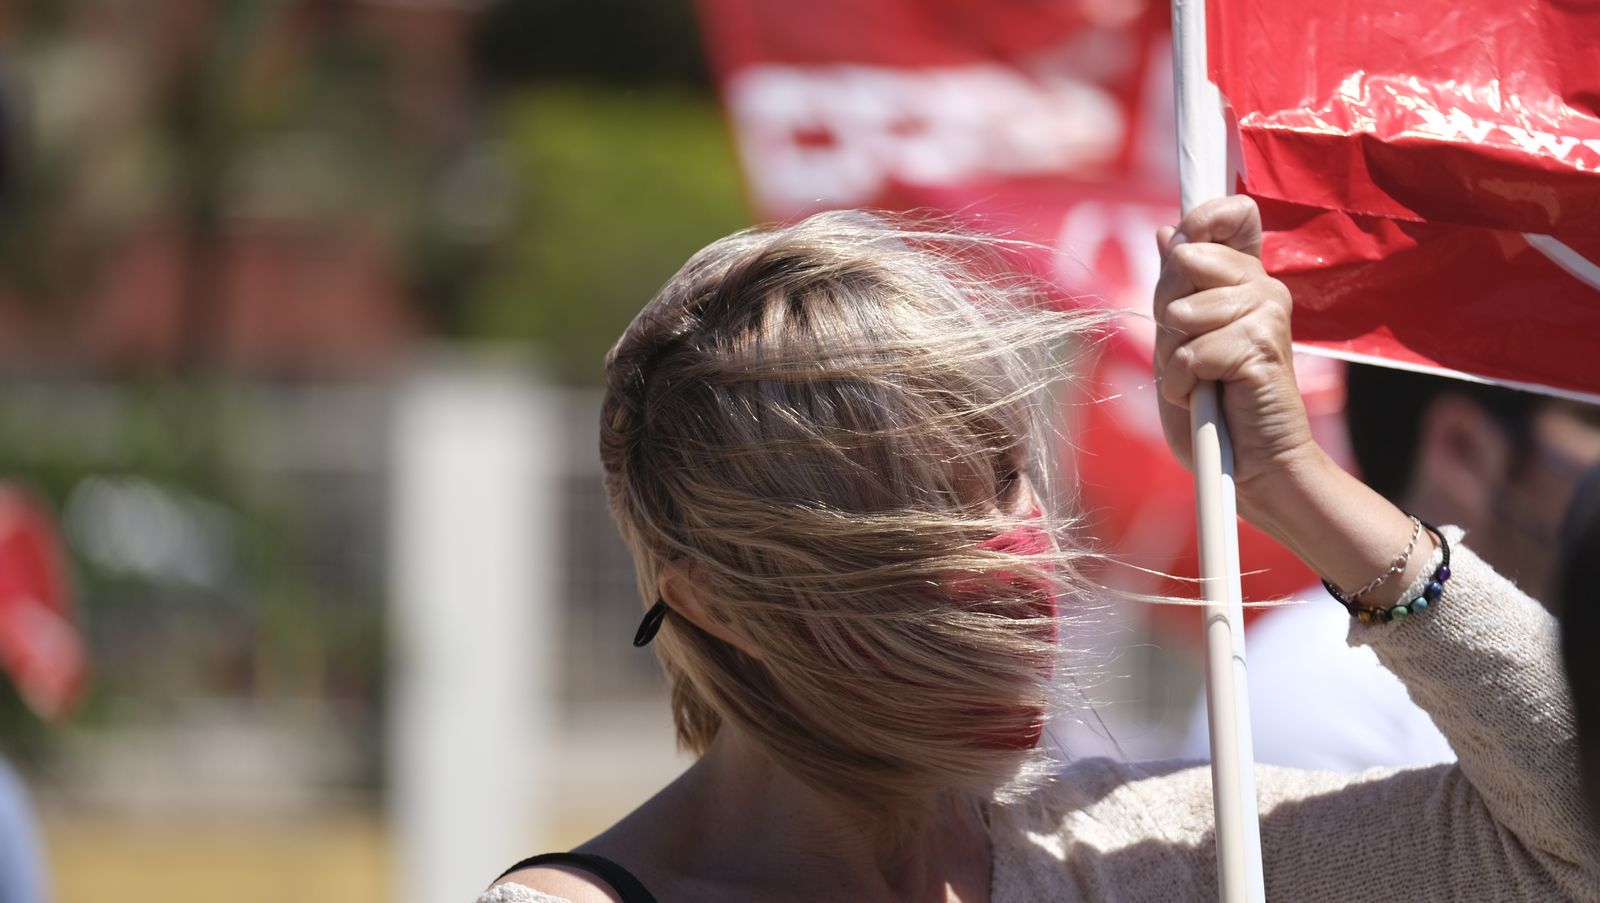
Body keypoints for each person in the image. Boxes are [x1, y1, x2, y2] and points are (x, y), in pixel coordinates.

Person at [481, 196, 1597, 902]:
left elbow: (1573, 843)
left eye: (1001, 474)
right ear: (712, 600)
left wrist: (1293, 486)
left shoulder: (1144, 856)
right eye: (895, 515)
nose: (1004, 558)